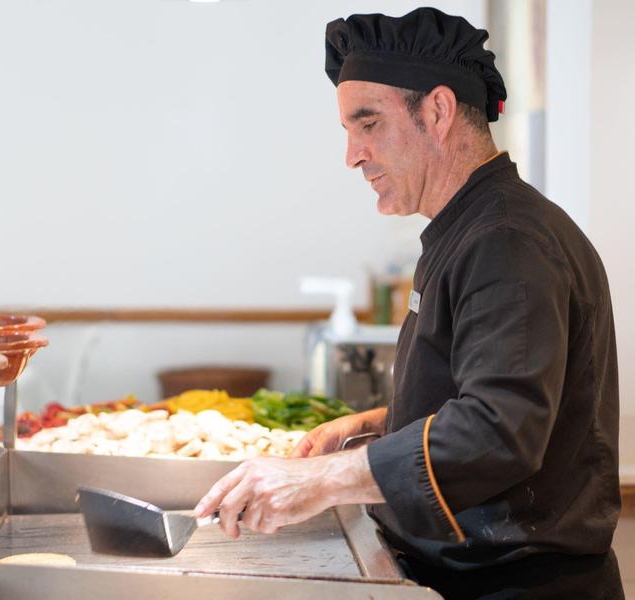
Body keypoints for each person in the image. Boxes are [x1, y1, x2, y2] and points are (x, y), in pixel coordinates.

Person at [194, 7, 623, 599]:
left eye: (367, 124)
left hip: (517, 585)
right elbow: (477, 388)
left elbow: (500, 430)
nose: (352, 155)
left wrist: (320, 481)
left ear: (438, 112)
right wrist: (374, 426)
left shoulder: (507, 240)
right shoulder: (471, 227)